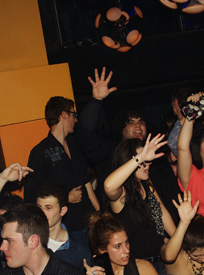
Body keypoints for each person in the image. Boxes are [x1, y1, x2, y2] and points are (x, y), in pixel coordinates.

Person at [75, 68, 180, 221]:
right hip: (122, 228)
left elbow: (171, 194)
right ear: (121, 129)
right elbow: (84, 136)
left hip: (159, 226)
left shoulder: (156, 155)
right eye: (131, 122)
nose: (138, 126)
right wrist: (95, 101)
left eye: (141, 121)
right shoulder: (110, 152)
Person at [24, 95, 99, 233]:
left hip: (89, 223)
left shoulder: (75, 144)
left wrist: (100, 215)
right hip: (65, 229)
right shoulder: (40, 152)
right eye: (73, 115)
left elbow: (86, 183)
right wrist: (66, 199)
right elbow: (31, 197)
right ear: (63, 115)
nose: (75, 120)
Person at [104, 135, 175, 261]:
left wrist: (177, 241)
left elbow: (162, 213)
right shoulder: (121, 193)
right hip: (139, 264)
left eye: (147, 159)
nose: (148, 164)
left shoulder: (145, 183)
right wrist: (141, 157)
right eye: (143, 161)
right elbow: (108, 186)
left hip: (160, 258)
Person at [36, 182, 93, 269]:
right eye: (39, 207)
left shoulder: (79, 249)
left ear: (63, 211)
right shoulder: (28, 241)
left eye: (48, 208)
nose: (42, 212)